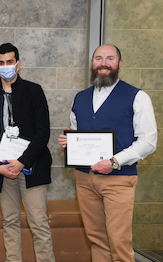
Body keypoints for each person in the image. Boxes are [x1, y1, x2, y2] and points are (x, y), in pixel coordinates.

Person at [58, 44, 157, 262]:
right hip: (84, 179)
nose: (104, 63)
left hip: (119, 180)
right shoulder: (80, 98)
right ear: (92, 64)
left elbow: (149, 142)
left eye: (110, 59)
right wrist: (69, 141)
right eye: (99, 58)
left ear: (119, 64)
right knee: (97, 238)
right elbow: (76, 132)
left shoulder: (138, 97)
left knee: (119, 241)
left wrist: (113, 162)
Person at [0, 43, 55, 262]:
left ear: (18, 64)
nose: (5, 66)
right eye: (1, 63)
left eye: (9, 62)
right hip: (3, 169)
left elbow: (43, 132)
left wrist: (22, 161)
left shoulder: (34, 91)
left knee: (38, 223)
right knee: (9, 221)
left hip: (31, 167)